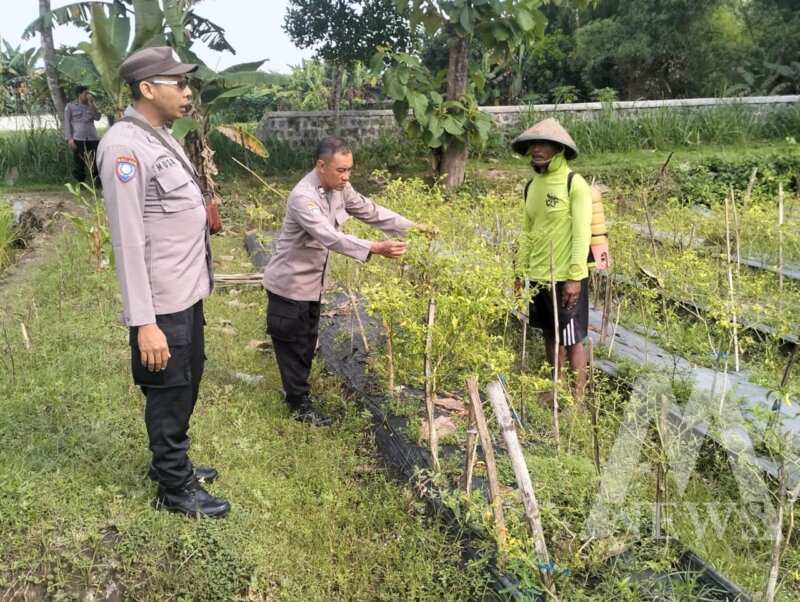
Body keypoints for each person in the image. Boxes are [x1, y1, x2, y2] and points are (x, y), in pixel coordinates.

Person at [97, 47, 229, 518]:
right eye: (178, 82)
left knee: (188, 380)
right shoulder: (123, 147)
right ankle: (175, 489)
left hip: (187, 290)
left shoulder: (161, 136)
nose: (187, 90)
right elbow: (128, 243)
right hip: (161, 302)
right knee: (169, 391)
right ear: (148, 89)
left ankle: (172, 464)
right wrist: (144, 322)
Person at [263, 136, 416, 425]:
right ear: (321, 165)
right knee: (293, 343)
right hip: (290, 284)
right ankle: (298, 405)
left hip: (313, 284)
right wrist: (375, 247)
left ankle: (298, 392)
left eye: (349, 170)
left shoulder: (339, 189)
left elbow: (370, 211)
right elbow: (329, 236)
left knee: (306, 340)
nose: (346, 177)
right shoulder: (303, 197)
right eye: (341, 170)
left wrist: (413, 228)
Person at [512, 118, 592, 401]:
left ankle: (578, 399)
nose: (536, 150)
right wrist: (520, 272)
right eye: (533, 144)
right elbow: (527, 231)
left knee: (572, 340)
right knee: (549, 334)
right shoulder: (531, 186)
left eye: (543, 144)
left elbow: (583, 233)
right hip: (538, 276)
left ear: (558, 149)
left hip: (565, 278)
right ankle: (556, 389)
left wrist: (574, 277)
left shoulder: (574, 184)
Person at [64, 86, 102, 185]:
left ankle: (97, 183)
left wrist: (92, 104)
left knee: (95, 161)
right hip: (78, 138)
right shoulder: (70, 106)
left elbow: (97, 117)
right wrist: (69, 139)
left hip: (92, 138)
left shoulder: (91, 105)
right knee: (79, 162)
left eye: (88, 93)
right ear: (79, 94)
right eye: (85, 93)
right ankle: (81, 183)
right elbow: (67, 123)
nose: (88, 95)